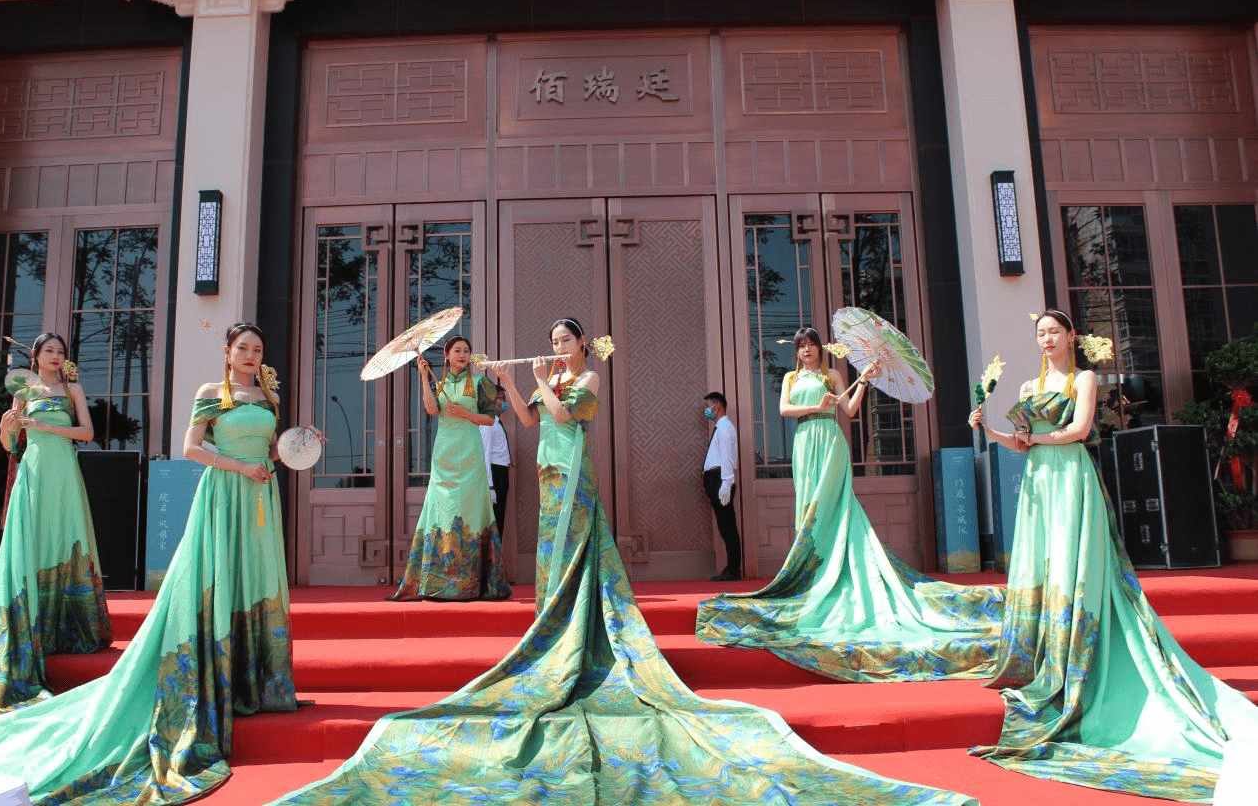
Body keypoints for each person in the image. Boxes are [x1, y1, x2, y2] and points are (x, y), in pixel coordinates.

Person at [272, 317, 977, 806]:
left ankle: (582, 618)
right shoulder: (545, 381)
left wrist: (545, 380)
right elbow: (524, 419)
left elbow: (568, 416)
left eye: (563, 339)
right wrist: (511, 382)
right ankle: (552, 613)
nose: (554, 346)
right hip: (544, 466)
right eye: (550, 340)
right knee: (548, 550)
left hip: (572, 468)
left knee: (577, 544)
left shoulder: (589, 381)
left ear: (582, 344)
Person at [0, 322, 299, 803]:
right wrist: (240, 467)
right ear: (227, 352)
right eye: (243, 348)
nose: (251, 355)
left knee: (259, 584)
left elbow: (270, 448)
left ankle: (258, 680)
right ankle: (216, 676)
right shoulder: (212, 392)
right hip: (225, 493)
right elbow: (192, 448)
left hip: (260, 497)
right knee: (218, 581)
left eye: (258, 348)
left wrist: (292, 449)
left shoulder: (268, 395)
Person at [968, 309, 1258, 801]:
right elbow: (1020, 445)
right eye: (1039, 333)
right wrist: (989, 430)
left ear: (1070, 337)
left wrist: (1036, 438)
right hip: (1039, 481)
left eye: (1053, 332)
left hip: (1072, 476)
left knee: (1075, 565)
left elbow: (1081, 431)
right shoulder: (1021, 389)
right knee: (1045, 565)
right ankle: (1043, 655)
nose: (1045, 340)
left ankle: (1080, 651)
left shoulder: (1084, 378)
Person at [696, 326, 1004, 682]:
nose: (807, 351)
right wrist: (817, 404)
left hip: (830, 440)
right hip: (805, 440)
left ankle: (840, 569)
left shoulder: (834, 374)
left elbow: (851, 411)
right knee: (807, 507)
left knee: (833, 505)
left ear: (820, 349)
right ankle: (811, 572)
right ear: (796, 351)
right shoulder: (791, 376)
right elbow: (784, 410)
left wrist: (865, 382)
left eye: (812, 345)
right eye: (802, 347)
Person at [0, 333, 111, 755]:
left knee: (68, 542)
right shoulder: (24, 391)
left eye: (61, 352)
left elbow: (86, 433)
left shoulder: (72, 389)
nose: (56, 357)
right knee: (30, 546)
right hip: (33, 472)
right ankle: (30, 624)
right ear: (35, 357)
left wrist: (43, 424)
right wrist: (10, 428)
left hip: (64, 471)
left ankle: (71, 626)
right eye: (49, 351)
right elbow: (12, 447)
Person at [389, 335, 509, 601]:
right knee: (442, 512)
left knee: (469, 512)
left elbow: (490, 419)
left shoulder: (480, 383)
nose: (462, 354)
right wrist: (423, 377)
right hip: (444, 454)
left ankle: (471, 582)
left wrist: (465, 414)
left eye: (466, 350)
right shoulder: (438, 382)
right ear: (446, 356)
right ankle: (437, 581)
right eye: (457, 350)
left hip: (469, 453)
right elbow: (432, 410)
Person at [701, 390, 742, 581]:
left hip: (720, 480)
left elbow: (727, 458)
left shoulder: (725, 428)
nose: (706, 410)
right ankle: (731, 568)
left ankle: (733, 570)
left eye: (708, 406)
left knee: (728, 526)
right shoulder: (721, 427)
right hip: (715, 480)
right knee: (725, 526)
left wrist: (726, 483)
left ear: (716, 406)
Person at [479, 381, 512, 540]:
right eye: (502, 398)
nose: (504, 402)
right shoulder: (488, 424)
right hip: (494, 473)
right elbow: (484, 455)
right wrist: (490, 486)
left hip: (501, 473)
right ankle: (490, 561)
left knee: (500, 521)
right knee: (494, 523)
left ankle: (495, 560)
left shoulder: (496, 422)